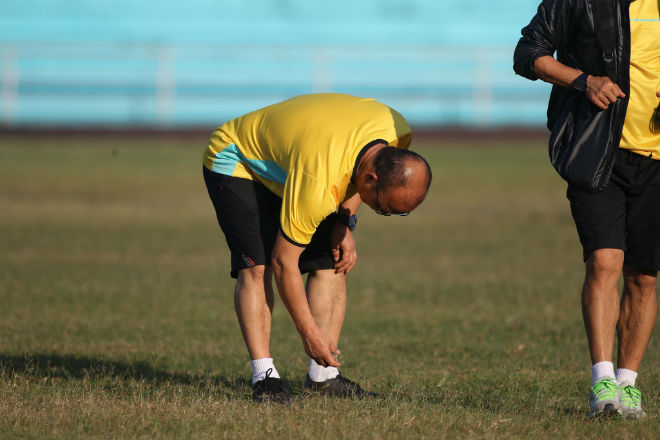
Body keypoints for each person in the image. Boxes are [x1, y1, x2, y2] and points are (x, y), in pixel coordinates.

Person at [202, 93, 432, 402]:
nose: (386, 214)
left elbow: (355, 171)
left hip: (302, 160)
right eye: (384, 208)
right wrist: (309, 333)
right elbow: (285, 263)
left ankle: (323, 378)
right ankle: (264, 377)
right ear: (371, 179)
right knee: (257, 266)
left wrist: (344, 222)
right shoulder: (318, 185)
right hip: (238, 160)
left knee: (331, 262)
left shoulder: (398, 129)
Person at [514, 0, 659, 419]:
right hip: (597, 153)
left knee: (644, 278)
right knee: (604, 262)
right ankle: (603, 383)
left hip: (656, 160)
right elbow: (528, 53)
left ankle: (629, 387)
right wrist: (585, 81)